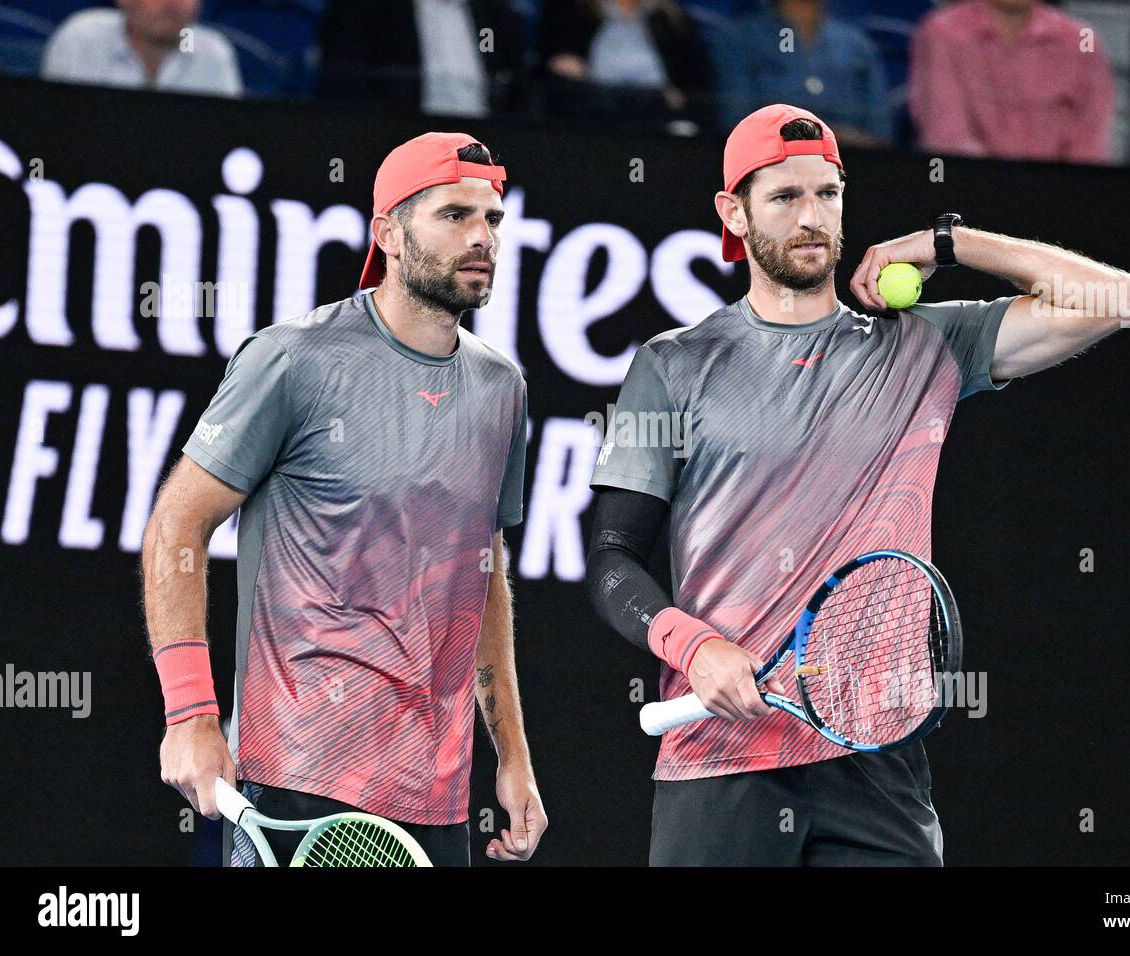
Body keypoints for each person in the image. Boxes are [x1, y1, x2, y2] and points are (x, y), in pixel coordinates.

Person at [585, 103, 1130, 866]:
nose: (811, 217)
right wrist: (699, 648)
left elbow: (1120, 300)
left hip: (877, 762)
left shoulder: (924, 345)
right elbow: (614, 560)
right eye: (784, 197)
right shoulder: (674, 365)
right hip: (722, 760)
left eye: (828, 193)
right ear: (734, 213)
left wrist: (945, 242)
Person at [145, 132, 546, 866]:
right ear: (387, 233)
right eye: (454, 216)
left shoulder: (502, 389)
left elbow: (481, 570)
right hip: (296, 772)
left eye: (492, 219)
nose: (482, 237)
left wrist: (512, 754)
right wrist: (191, 712)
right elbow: (178, 521)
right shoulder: (292, 360)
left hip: (435, 793)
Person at [908, 0, 1115, 163]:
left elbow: (1090, 145)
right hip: (966, 192)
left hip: (1059, 198)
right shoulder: (941, 32)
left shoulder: (1082, 41)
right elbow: (947, 138)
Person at [711, 0, 892, 147]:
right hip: (769, 165)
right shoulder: (739, 39)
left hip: (854, 165)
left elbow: (880, 130)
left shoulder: (857, 45)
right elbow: (734, 121)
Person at [318, 0, 528, 119]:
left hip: (485, 146)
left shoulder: (499, 17)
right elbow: (346, 85)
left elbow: (519, 93)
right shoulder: (369, 11)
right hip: (398, 141)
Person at [537, 0, 711, 131]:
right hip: (592, 114)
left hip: (658, 116)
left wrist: (679, 96)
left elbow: (695, 85)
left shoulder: (671, 20)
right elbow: (548, 68)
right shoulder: (569, 10)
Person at [42, 0, 242, 98]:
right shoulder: (80, 38)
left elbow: (224, 139)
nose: (173, 5)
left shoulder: (214, 54)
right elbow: (54, 131)